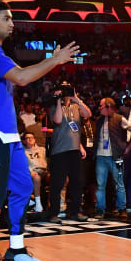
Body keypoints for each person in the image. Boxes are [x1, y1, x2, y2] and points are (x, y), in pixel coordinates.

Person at [0, 0, 78, 261]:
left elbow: (24, 75)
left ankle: (15, 249)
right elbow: (21, 78)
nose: (12, 23)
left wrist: (51, 63)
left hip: (7, 133)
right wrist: (54, 60)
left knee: (23, 185)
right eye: (6, 18)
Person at [47, 83, 92, 223]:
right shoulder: (54, 107)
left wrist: (76, 98)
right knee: (58, 183)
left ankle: (75, 212)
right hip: (59, 151)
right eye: (62, 89)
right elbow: (58, 120)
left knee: (77, 183)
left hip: (74, 150)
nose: (65, 92)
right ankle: (54, 213)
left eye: (67, 89)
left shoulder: (76, 106)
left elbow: (88, 114)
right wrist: (59, 101)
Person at [93, 97, 131, 220]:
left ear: (108, 107)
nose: (99, 108)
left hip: (116, 156)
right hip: (101, 157)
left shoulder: (119, 119)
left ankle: (122, 208)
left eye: (101, 106)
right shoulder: (99, 120)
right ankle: (100, 209)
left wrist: (128, 147)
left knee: (119, 184)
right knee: (100, 185)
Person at [22, 132, 47, 213]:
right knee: (36, 178)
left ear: (35, 139)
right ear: (24, 141)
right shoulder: (22, 152)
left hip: (44, 171)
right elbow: (22, 165)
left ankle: (59, 208)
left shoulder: (42, 149)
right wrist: (29, 172)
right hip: (32, 172)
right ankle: (38, 204)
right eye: (27, 138)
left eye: (32, 137)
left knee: (60, 178)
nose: (30, 139)